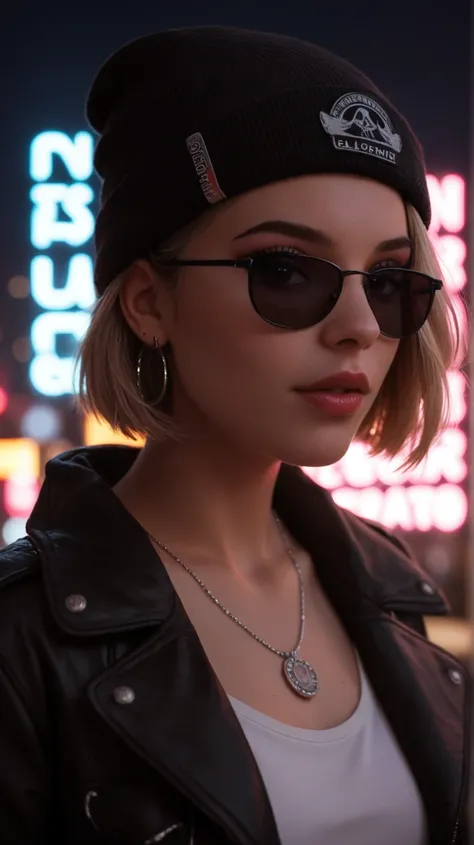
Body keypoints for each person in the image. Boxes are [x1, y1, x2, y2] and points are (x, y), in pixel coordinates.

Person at [0, 25, 469, 845]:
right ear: (148, 301)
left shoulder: (391, 597)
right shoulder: (20, 640)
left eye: (391, 281)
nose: (359, 325)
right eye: (285, 269)